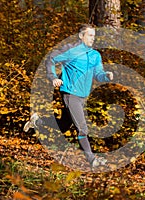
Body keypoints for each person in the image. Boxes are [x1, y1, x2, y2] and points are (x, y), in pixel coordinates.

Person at [24, 24, 113, 168]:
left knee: (64, 126)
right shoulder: (71, 50)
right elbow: (50, 59)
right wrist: (53, 77)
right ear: (81, 36)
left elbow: (98, 74)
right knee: (82, 128)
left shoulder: (95, 55)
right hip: (70, 93)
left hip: (83, 95)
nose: (93, 38)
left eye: (94, 36)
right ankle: (92, 160)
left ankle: (38, 121)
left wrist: (106, 76)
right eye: (90, 35)